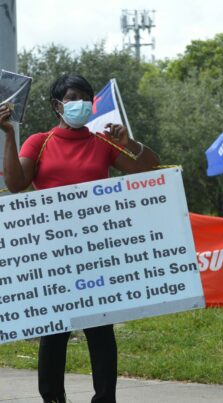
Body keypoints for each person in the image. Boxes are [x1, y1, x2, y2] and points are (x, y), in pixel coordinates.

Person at [0, 73, 160, 403]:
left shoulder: (103, 142)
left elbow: (150, 169)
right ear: (57, 105)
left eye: (86, 98)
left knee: (101, 331)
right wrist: (8, 135)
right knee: (54, 334)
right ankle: (53, 398)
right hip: (53, 255)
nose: (81, 104)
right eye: (73, 97)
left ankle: (105, 399)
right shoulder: (39, 142)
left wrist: (128, 143)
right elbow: (16, 184)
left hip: (95, 254)